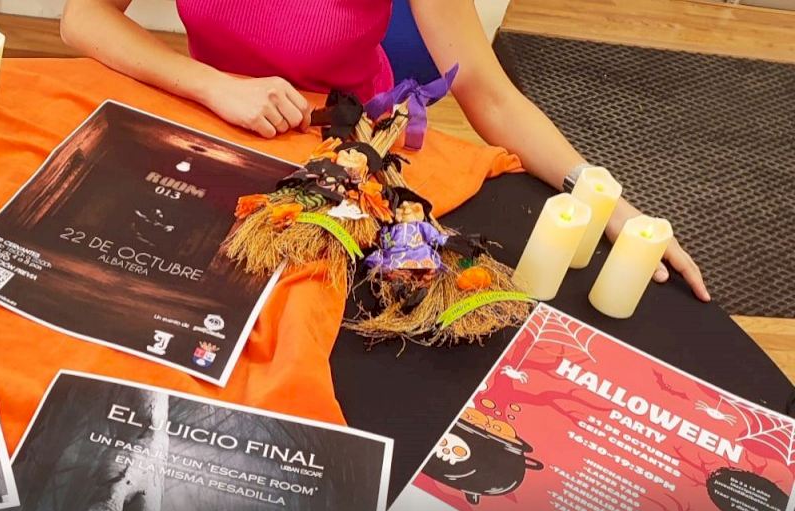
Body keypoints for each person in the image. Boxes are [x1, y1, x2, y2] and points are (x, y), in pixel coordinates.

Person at [60, 0, 710, 301]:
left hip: (353, 149)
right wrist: (213, 85)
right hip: (221, 119)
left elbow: (489, 93)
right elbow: (82, 15)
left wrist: (603, 199)